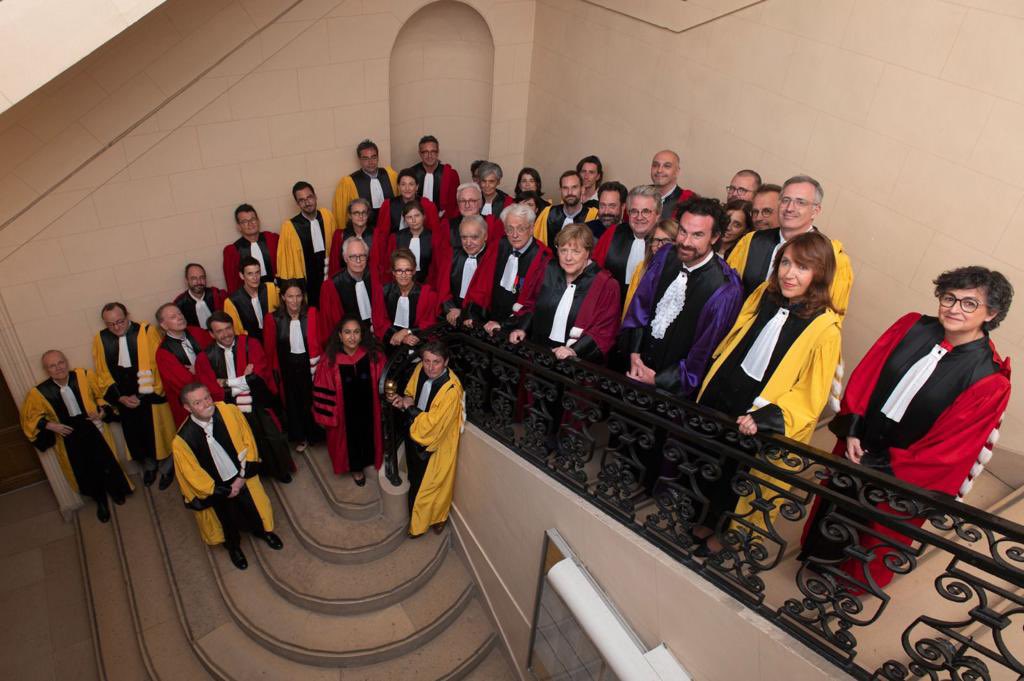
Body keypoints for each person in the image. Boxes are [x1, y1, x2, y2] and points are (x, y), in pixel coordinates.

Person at [800, 266, 1013, 590]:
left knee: (870, 543)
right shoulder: (911, 326)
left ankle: (849, 590)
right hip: (858, 445)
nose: (954, 309)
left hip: (901, 474)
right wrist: (853, 427)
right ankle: (816, 563)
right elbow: (867, 375)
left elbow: (949, 449)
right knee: (830, 517)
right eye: (949, 298)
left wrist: (881, 464)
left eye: (969, 303)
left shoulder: (988, 379)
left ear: (991, 313)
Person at [695, 232, 842, 553]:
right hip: (728, 397)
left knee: (741, 480)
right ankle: (707, 518)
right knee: (716, 466)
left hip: (760, 417)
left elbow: (810, 394)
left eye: (802, 267)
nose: (790, 274)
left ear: (820, 274)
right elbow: (736, 337)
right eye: (786, 263)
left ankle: (727, 536)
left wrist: (765, 418)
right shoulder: (766, 294)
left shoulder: (824, 328)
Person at [620, 197, 744, 396]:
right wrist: (634, 354)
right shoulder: (665, 255)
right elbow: (640, 308)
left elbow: (703, 353)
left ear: (714, 237)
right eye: (683, 231)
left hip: (673, 394)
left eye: (697, 235)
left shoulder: (724, 289)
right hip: (635, 370)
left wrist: (659, 380)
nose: (686, 242)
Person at [172, 382, 283, 571]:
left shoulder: (229, 412)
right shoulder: (182, 440)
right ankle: (234, 548)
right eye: (198, 402)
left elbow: (248, 441)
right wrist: (221, 490)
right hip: (218, 489)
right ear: (187, 407)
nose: (207, 404)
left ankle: (263, 532)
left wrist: (241, 479)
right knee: (227, 521)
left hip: (241, 476)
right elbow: (193, 475)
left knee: (253, 508)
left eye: (207, 397)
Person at [21, 350, 133, 522]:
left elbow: (102, 396)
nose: (58, 368)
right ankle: (100, 501)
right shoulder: (39, 393)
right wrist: (50, 425)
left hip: (93, 428)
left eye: (60, 362)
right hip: (68, 437)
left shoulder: (83, 376)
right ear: (46, 370)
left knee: (106, 461)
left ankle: (116, 491)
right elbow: (29, 418)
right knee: (84, 470)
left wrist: (102, 412)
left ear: (66, 361)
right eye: (52, 366)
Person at [727, 175, 853, 315]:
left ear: (816, 211)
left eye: (800, 202)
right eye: (785, 200)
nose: (789, 208)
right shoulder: (752, 241)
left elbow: (830, 316)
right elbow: (726, 293)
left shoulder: (832, 258)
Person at [196, 312, 294, 483]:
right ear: (211, 334)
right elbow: (212, 390)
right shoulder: (205, 357)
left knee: (271, 437)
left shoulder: (251, 344)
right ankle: (255, 472)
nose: (225, 334)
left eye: (228, 328)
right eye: (219, 331)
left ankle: (280, 470)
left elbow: (258, 377)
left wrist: (226, 382)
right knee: (241, 442)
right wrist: (244, 380)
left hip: (257, 401)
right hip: (230, 408)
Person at [509, 223, 621, 364]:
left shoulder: (606, 285)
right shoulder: (547, 269)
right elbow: (532, 304)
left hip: (577, 365)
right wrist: (522, 329)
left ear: (588, 252)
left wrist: (574, 350)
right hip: (538, 353)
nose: (568, 258)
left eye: (575, 251)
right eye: (563, 250)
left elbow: (603, 331)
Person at [92, 302, 176, 488]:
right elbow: (102, 372)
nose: (116, 327)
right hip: (124, 400)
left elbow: (158, 365)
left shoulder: (146, 332)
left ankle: (167, 468)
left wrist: (141, 396)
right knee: (137, 438)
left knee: (160, 435)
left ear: (127, 315)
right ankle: (150, 467)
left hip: (150, 397)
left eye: (120, 321)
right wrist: (119, 397)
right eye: (110, 324)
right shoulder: (101, 339)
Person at [389, 341, 465, 537]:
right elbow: (411, 393)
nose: (430, 367)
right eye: (427, 361)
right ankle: (423, 518)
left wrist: (409, 408)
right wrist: (405, 400)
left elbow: (433, 426)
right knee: (417, 480)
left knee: (433, 485)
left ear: (446, 362)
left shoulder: (451, 390)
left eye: (436, 362)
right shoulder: (419, 370)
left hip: (437, 443)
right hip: (416, 433)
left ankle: (432, 521)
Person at [313, 317, 386, 482]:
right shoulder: (329, 362)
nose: (352, 337)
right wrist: (329, 417)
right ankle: (356, 468)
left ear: (361, 335)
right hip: (345, 416)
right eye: (347, 332)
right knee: (348, 442)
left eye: (356, 332)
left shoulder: (374, 357)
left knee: (371, 434)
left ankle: (370, 459)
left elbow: (385, 384)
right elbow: (324, 394)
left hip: (369, 410)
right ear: (339, 335)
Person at [263, 281, 323, 453]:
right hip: (287, 368)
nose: (295, 301)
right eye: (290, 296)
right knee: (293, 403)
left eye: (298, 296)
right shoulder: (273, 319)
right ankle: (301, 436)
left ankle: (316, 435)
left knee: (311, 400)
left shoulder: (311, 314)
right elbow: (269, 350)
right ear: (283, 297)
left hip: (308, 366)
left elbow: (319, 341)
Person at [481, 203, 551, 333]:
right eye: (509, 229)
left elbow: (536, 304)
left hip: (520, 329)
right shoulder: (498, 245)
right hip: (490, 320)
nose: (514, 235)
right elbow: (482, 284)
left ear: (531, 229)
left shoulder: (544, 258)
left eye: (520, 229)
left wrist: (504, 326)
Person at [593, 184, 661, 302]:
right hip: (610, 306)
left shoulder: (664, 241)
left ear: (657, 215)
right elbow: (594, 272)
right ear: (628, 213)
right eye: (634, 211)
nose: (639, 217)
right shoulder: (612, 233)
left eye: (646, 211)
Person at [278, 181, 338, 307]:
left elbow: (336, 246)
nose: (307, 202)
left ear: (315, 196)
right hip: (307, 281)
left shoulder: (327, 216)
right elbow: (286, 262)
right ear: (297, 203)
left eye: (309, 197)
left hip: (328, 275)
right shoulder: (289, 227)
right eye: (301, 200)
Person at [155, 303, 213, 426]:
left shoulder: (197, 332)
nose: (180, 317)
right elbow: (185, 385)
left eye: (180, 313)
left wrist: (198, 369)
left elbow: (217, 357)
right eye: (173, 317)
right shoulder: (163, 353)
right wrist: (205, 370)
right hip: (192, 406)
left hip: (214, 392)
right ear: (164, 325)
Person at [371, 249, 441, 348]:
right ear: (393, 272)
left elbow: (429, 323)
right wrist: (399, 336)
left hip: (418, 343)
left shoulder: (427, 294)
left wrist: (407, 332)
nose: (403, 275)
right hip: (390, 342)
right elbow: (379, 321)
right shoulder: (383, 291)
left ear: (413, 271)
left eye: (407, 270)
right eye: (399, 271)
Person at [440, 214, 499, 328]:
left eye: (474, 237)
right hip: (452, 318)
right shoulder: (452, 255)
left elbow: (488, 297)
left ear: (485, 236)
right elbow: (443, 288)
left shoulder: (492, 258)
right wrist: (451, 309)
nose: (468, 242)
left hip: (481, 320)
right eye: (464, 237)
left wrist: (466, 314)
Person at [319, 236, 376, 343]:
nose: (358, 261)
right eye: (353, 257)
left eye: (362, 256)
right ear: (345, 258)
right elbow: (330, 327)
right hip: (347, 344)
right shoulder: (331, 286)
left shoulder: (375, 277)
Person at [332, 139, 399, 227]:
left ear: (378, 157)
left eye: (373, 157)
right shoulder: (348, 183)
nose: (370, 162)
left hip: (392, 228)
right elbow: (342, 215)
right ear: (359, 160)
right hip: (364, 233)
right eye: (365, 158)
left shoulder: (391, 175)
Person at [621, 218, 678, 318]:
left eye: (666, 241)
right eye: (656, 240)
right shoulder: (641, 269)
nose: (660, 246)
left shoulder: (682, 276)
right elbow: (629, 309)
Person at [378, 199, 442, 288]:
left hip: (427, 285)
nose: (413, 220)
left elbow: (437, 267)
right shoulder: (396, 237)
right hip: (399, 284)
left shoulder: (434, 237)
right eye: (409, 217)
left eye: (417, 216)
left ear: (424, 216)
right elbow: (389, 264)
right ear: (405, 220)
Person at [532, 170, 598, 247]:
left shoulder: (593, 217)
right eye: (565, 188)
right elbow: (536, 245)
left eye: (574, 187)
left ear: (582, 189)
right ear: (560, 190)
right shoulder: (547, 214)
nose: (569, 192)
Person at [223, 204, 278, 293]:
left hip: (276, 291)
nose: (250, 224)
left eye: (253, 219)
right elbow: (232, 283)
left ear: (258, 221)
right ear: (239, 227)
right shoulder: (233, 251)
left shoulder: (272, 239)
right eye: (244, 222)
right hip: (250, 298)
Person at [223, 256, 280, 342]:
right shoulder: (232, 302)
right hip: (251, 345)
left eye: (257, 272)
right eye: (250, 274)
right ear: (242, 276)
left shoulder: (271, 289)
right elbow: (237, 333)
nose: (255, 277)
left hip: (275, 339)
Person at [372, 168, 442, 237]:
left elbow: (435, 234)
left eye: (411, 184)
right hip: (395, 246)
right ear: (398, 187)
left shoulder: (427, 205)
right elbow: (381, 236)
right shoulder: (388, 205)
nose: (407, 188)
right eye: (403, 184)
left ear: (417, 187)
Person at [410, 134, 460, 218]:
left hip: (443, 222)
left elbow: (454, 204)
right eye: (425, 152)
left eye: (433, 151)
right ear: (420, 153)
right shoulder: (411, 173)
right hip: (416, 221)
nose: (429, 156)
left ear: (438, 152)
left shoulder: (450, 174)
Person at [327, 198, 374, 276]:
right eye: (356, 213)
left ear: (368, 214)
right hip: (345, 282)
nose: (360, 216)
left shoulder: (378, 235)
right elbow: (334, 265)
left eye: (364, 212)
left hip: (370, 280)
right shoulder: (339, 235)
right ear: (350, 215)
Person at [173, 263, 226, 329]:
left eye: (202, 277)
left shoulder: (218, 295)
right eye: (194, 279)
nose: (199, 282)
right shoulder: (179, 304)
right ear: (187, 281)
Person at [650, 149, 696, 219]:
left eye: (667, 166)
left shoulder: (688, 200)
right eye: (655, 165)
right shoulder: (639, 195)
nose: (659, 170)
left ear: (677, 171)